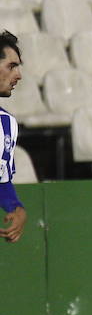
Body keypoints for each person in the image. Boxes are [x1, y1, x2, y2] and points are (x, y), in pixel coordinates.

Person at [0, 31, 27, 244]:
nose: (18, 75)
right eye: (11, 66)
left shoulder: (7, 124)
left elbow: (1, 179)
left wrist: (16, 208)